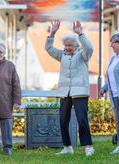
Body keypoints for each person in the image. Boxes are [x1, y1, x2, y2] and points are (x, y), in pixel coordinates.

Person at [45, 20, 94, 156]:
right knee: (62, 120)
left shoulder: (83, 55)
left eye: (70, 45)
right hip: (65, 92)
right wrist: (52, 33)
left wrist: (80, 34)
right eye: (65, 45)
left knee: (82, 119)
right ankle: (67, 147)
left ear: (76, 45)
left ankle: (88, 147)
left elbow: (89, 48)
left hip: (80, 92)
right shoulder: (62, 56)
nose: (67, 47)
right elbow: (49, 49)